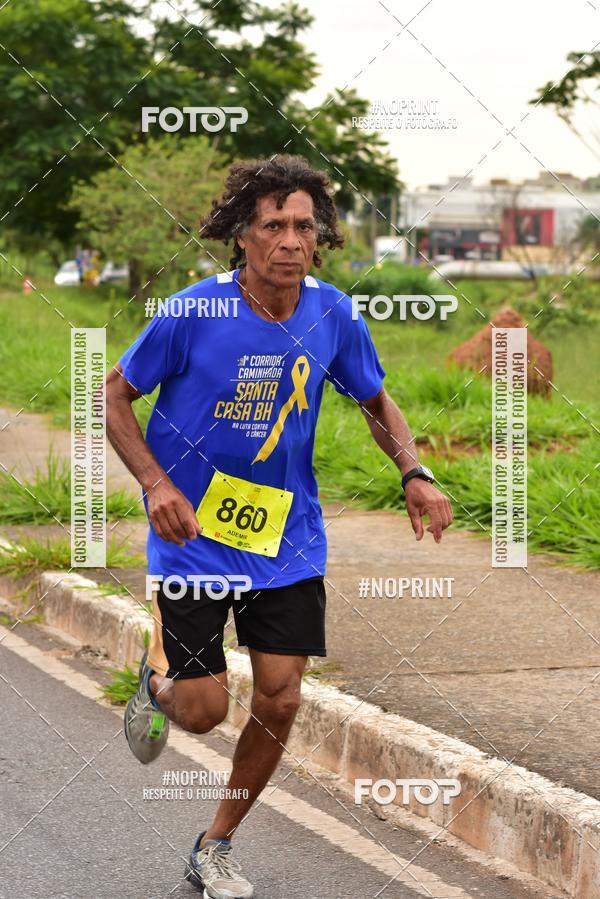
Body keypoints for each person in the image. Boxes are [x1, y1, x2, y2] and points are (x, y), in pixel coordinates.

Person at [105, 155, 453, 898]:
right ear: (243, 236)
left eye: (304, 226)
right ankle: (158, 684)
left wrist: (413, 470)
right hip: (193, 536)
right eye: (274, 226)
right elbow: (114, 394)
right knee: (202, 712)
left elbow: (375, 399)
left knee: (283, 695)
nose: (291, 241)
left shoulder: (333, 313)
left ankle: (215, 844)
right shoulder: (192, 312)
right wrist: (156, 483)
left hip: (286, 537)